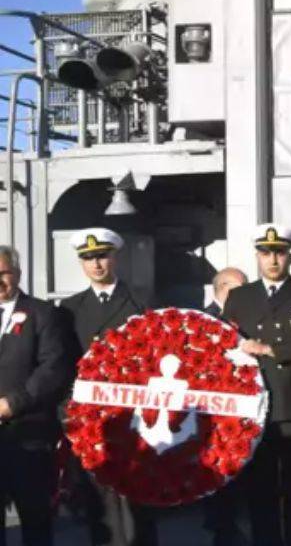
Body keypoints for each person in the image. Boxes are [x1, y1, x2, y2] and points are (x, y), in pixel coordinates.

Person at [224, 224, 291, 546]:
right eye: (265, 252)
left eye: (279, 252)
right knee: (260, 488)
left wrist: (270, 349)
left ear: (290, 257)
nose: (273, 260)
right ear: (257, 256)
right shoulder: (240, 297)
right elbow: (226, 345)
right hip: (254, 405)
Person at [59, 228, 158, 546]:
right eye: (88, 258)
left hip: (134, 417)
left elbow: (155, 356)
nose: (97, 264)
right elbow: (62, 363)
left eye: (102, 256)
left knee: (139, 499)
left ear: (114, 257)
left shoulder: (140, 301)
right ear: (81, 264)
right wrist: (68, 415)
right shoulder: (70, 308)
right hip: (92, 419)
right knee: (98, 503)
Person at [0, 245, 75, 546]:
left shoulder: (43, 314)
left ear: (16, 274)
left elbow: (53, 369)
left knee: (35, 522)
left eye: (3, 272)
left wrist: (11, 404)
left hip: (28, 433)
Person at [201, 267, 248, 545]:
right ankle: (222, 530)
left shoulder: (249, 317)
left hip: (245, 408)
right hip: (214, 412)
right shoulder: (202, 319)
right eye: (237, 287)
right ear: (221, 288)